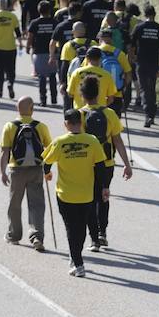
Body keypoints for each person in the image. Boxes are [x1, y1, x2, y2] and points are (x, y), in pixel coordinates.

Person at [42, 109, 107, 276]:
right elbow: (101, 167)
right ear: (82, 123)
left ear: (66, 124)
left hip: (65, 194)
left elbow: (46, 162)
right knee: (80, 229)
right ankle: (76, 258)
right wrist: (104, 188)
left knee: (71, 228)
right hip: (86, 194)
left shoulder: (60, 142)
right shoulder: (92, 141)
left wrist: (47, 174)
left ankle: (78, 263)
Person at [78, 76, 133, 251]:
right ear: (98, 93)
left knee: (89, 200)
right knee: (103, 197)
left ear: (83, 95)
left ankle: (93, 239)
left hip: (87, 164)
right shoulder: (109, 114)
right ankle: (103, 233)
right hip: (107, 163)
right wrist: (127, 164)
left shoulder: (79, 114)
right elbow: (117, 140)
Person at [0, 96, 52, 252]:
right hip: (36, 169)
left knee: (15, 204)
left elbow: (5, 151)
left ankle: (14, 235)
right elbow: (49, 149)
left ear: (17, 109)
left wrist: (3, 172)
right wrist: (47, 170)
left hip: (17, 170)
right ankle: (36, 237)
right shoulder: (41, 126)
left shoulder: (9, 126)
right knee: (36, 204)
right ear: (32, 108)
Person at [131, 4, 159, 127]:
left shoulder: (139, 27)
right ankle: (152, 113)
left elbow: (132, 46)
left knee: (144, 89)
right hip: (154, 64)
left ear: (144, 14)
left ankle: (148, 115)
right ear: (154, 14)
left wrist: (132, 58)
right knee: (152, 88)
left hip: (141, 63)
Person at [27, 0, 58, 107]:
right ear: (50, 10)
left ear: (38, 10)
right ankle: (54, 98)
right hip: (52, 53)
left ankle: (43, 100)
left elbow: (30, 37)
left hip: (39, 52)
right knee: (53, 75)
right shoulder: (55, 22)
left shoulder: (34, 23)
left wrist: (27, 47)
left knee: (42, 77)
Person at [58, 22, 94, 110]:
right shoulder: (93, 43)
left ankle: (69, 121)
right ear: (84, 31)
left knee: (69, 104)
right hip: (90, 79)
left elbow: (64, 65)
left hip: (72, 80)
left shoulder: (68, 45)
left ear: (73, 31)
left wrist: (62, 83)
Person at [97, 27, 132, 116]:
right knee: (114, 121)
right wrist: (123, 87)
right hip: (117, 93)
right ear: (111, 39)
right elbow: (128, 74)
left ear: (100, 39)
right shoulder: (120, 54)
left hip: (99, 94)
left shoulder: (94, 52)